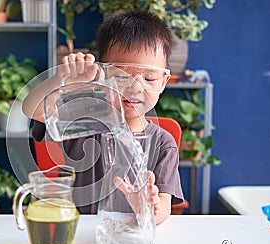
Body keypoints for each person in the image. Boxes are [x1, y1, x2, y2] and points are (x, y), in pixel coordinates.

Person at [22, 10, 184, 224]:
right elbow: (31, 108)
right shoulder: (84, 123)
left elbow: (164, 206)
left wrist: (149, 206)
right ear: (103, 76)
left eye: (149, 78)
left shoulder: (163, 143)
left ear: (164, 82)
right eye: (120, 77)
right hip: (80, 234)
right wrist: (62, 80)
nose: (135, 87)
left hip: (132, 236)